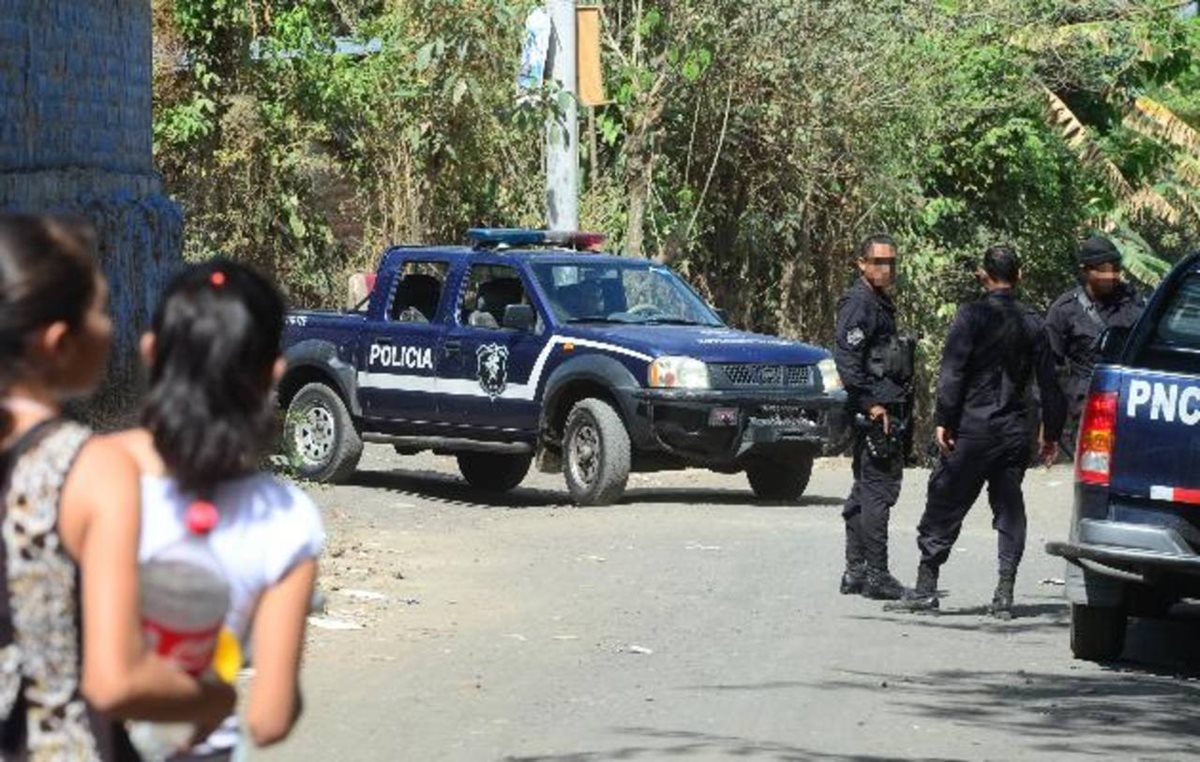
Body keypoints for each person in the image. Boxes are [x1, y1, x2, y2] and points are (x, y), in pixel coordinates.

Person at [0, 214, 234, 760]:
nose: (110, 327)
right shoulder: (92, 471)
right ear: (57, 342)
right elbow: (114, 680)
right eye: (100, 311)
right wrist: (211, 699)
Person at [109, 259, 324, 760]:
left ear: (150, 352)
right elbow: (269, 720)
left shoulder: (92, 471)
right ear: (274, 372)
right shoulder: (286, 517)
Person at [889, 245, 1065, 618]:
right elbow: (1050, 383)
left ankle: (926, 587)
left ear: (982, 275)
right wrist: (1051, 434)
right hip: (1015, 431)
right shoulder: (1035, 322)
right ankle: (1004, 593)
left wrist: (944, 420)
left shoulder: (970, 316)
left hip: (973, 428)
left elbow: (953, 371)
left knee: (945, 501)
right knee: (1009, 508)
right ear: (1020, 275)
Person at [834, 234, 914, 600]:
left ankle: (856, 571)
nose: (886, 269)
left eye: (891, 262)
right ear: (861, 264)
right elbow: (848, 362)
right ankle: (876, 574)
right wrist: (870, 404)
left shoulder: (877, 302)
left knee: (864, 490)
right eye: (879, 262)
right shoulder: (859, 304)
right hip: (875, 413)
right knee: (878, 492)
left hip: (884, 408)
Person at [1044, 235, 1144, 455]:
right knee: (1096, 476)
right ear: (1085, 271)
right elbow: (1050, 371)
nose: (1110, 275)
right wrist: (1051, 424)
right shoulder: (1063, 311)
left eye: (1115, 268)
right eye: (1102, 269)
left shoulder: (1134, 301)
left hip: (1131, 405)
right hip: (1089, 412)